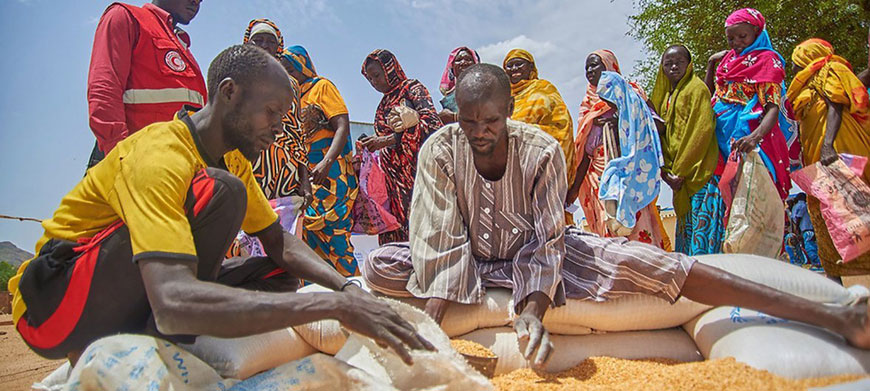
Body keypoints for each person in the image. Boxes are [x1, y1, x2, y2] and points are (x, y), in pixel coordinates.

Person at [361, 63, 870, 368]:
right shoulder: (440, 150)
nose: (479, 132)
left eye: (490, 121)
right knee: (381, 267)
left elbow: (546, 244)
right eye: (470, 122)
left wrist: (533, 311)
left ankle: (832, 315)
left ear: (510, 110)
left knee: (663, 267)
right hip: (470, 259)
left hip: (545, 251)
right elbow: (440, 238)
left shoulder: (540, 151)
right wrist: (427, 330)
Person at [7, 45, 432, 365]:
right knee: (223, 193)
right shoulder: (159, 154)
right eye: (271, 112)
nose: (278, 127)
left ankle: (163, 336)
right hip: (54, 305)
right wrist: (329, 306)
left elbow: (278, 242)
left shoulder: (231, 158)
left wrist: (347, 289)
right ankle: (162, 339)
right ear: (229, 94)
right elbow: (173, 299)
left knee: (277, 270)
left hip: (134, 290)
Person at [568, 50, 671, 249]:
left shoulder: (632, 94)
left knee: (639, 229)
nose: (590, 70)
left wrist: (621, 119)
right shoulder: (588, 104)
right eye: (587, 67)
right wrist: (572, 191)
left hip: (633, 173)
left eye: (595, 65)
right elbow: (584, 153)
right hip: (598, 178)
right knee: (610, 233)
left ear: (610, 66)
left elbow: (658, 127)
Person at [86, 0, 207, 168]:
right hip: (131, 165)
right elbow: (104, 90)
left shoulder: (182, 47)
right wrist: (121, 159)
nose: (196, 2)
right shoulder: (126, 17)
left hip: (173, 171)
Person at [787, 38, 870, 276]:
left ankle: (859, 276)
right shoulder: (807, 82)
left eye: (795, 61)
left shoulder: (831, 70)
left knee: (851, 214)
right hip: (819, 159)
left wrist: (828, 145)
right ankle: (835, 276)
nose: (793, 68)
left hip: (836, 152)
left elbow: (835, 104)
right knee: (826, 215)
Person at [282, 45, 360, 277]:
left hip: (332, 173)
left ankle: (355, 291)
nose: (288, 76)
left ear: (302, 65)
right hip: (307, 176)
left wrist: (326, 162)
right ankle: (321, 299)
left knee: (337, 239)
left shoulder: (321, 87)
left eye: (291, 69)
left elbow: (342, 125)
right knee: (307, 240)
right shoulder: (291, 98)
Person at [704, 8, 793, 202]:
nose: (736, 43)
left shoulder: (767, 61)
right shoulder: (728, 60)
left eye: (742, 36)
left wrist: (754, 137)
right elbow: (707, 96)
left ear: (757, 32)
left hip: (750, 138)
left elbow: (772, 107)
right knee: (734, 200)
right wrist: (711, 64)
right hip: (723, 138)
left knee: (757, 199)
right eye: (731, 39)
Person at [359, 49, 444, 245]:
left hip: (417, 174)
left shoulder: (412, 89)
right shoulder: (382, 104)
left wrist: (388, 140)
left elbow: (432, 124)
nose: (374, 82)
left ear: (390, 69)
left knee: (424, 226)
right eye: (370, 80)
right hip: (394, 181)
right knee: (399, 234)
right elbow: (384, 138)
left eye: (377, 76)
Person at [650, 45, 725, 255]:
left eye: (679, 62)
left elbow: (700, 132)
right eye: (668, 63)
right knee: (687, 243)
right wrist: (666, 173)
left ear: (688, 64)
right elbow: (659, 136)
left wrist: (680, 172)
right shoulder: (663, 98)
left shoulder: (696, 89)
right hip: (678, 181)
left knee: (705, 243)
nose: (673, 67)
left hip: (699, 175)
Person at [503, 49, 575, 223]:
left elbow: (561, 128)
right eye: (509, 66)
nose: (514, 68)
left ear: (531, 67)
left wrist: (518, 131)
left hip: (542, 168)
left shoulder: (544, 89)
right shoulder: (502, 98)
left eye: (519, 63)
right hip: (511, 176)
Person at [437, 47, 480, 125]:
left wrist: (454, 117)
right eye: (458, 60)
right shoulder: (449, 96)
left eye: (468, 59)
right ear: (452, 67)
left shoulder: (485, 90)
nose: (463, 62)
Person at [788, 193, 819, 267]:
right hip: (807, 228)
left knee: (805, 246)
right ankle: (815, 261)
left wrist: (795, 230)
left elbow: (793, 219)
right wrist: (798, 228)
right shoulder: (803, 205)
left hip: (802, 229)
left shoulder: (795, 207)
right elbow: (799, 217)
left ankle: (810, 261)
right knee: (810, 246)